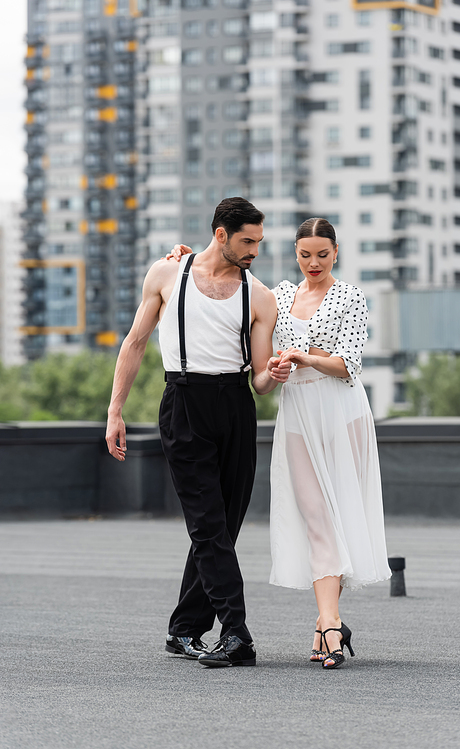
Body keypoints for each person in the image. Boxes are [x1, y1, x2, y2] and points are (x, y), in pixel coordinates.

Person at [105, 197, 290, 668]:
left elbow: (261, 383)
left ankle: (184, 630)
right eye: (247, 241)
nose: (255, 251)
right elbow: (135, 342)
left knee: (222, 526)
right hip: (183, 403)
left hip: (235, 407)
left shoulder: (261, 296)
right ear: (221, 234)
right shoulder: (167, 274)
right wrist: (115, 411)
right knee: (208, 525)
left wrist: (276, 372)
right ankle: (236, 633)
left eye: (260, 242)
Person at [270, 217, 391, 669]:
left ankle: (328, 623)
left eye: (322, 254)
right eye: (305, 254)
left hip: (342, 412)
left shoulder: (351, 296)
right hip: (299, 412)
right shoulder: (280, 295)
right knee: (315, 517)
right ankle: (331, 623)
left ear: (336, 252)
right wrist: (184, 258)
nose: (313, 263)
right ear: (295, 254)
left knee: (339, 515)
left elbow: (349, 366)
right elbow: (232, 282)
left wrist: (306, 357)